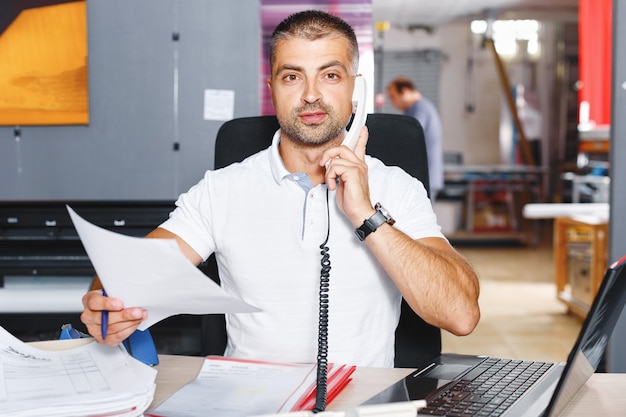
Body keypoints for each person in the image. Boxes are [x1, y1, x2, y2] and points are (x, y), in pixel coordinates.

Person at [81, 10, 479, 368]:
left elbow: (461, 314)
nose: (310, 94)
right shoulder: (221, 190)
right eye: (292, 76)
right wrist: (106, 302)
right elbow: (125, 278)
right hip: (247, 404)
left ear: (354, 87)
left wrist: (366, 215)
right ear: (271, 87)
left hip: (362, 405)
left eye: (330, 74)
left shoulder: (397, 186)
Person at [387, 77, 444, 198]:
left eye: (393, 97)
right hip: (425, 176)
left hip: (425, 177)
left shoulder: (420, 108)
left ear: (405, 92)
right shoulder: (418, 108)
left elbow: (409, 137)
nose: (392, 102)